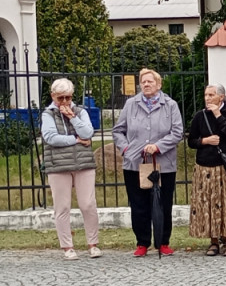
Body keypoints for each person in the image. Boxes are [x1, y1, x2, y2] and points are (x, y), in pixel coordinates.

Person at [112, 68, 184, 257]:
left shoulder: (170, 105)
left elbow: (177, 132)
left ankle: (163, 242)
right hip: (134, 163)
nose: (145, 84)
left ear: (158, 84)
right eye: (143, 82)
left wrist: (158, 146)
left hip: (163, 164)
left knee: (163, 203)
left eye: (150, 81)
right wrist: (126, 149)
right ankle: (142, 243)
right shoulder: (131, 104)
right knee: (139, 204)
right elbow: (118, 131)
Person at [40, 78, 101, 260]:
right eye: (61, 98)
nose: (65, 102)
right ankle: (67, 246)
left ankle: (93, 244)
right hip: (58, 166)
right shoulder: (48, 115)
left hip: (83, 164)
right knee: (62, 206)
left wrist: (72, 118)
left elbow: (88, 133)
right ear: (53, 96)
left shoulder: (79, 112)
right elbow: (51, 138)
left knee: (88, 204)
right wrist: (76, 141)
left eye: (68, 97)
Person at [187, 84, 226, 256]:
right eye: (206, 94)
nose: (207, 98)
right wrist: (205, 141)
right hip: (205, 166)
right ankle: (213, 241)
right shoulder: (200, 116)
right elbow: (191, 141)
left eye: (211, 95)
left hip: (224, 166)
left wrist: (218, 115)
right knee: (208, 204)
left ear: (222, 97)